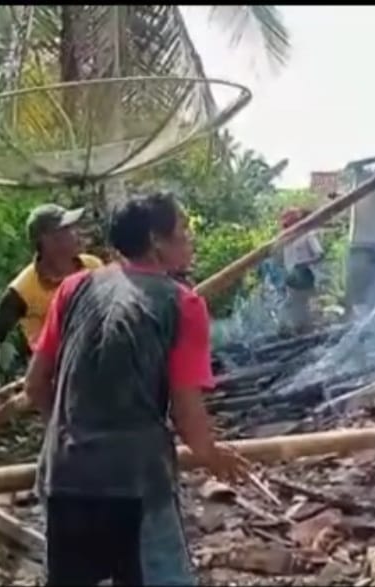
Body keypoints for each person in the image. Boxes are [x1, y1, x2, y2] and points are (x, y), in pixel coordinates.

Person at [21, 192, 248, 585]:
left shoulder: (73, 288)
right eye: (182, 230)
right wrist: (211, 454)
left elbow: (34, 385)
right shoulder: (183, 304)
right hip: (135, 481)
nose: (189, 238)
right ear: (156, 241)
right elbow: (186, 414)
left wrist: (69, 431)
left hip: (64, 475)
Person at [0, 203, 103, 424]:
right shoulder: (24, 289)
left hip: (97, 362)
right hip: (54, 376)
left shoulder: (93, 267)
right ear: (47, 241)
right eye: (67, 230)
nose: (76, 234)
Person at [280, 207, 325, 335]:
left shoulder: (307, 235)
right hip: (292, 280)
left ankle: (312, 334)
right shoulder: (285, 240)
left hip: (305, 277)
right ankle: (300, 333)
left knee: (306, 309)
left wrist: (304, 264)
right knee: (294, 310)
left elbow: (320, 254)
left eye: (289, 220)